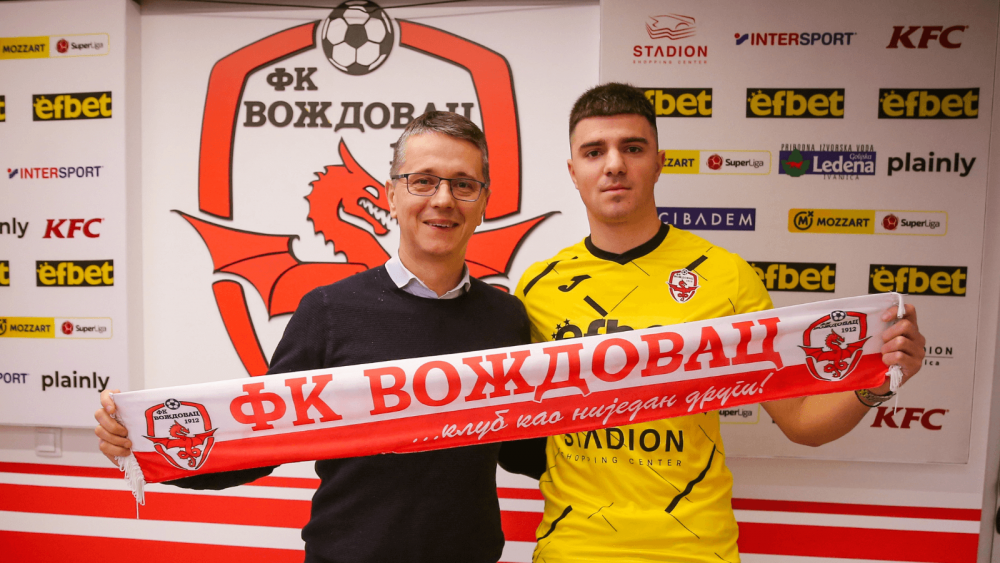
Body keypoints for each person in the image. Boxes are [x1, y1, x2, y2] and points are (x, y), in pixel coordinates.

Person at [503, 83, 927, 563]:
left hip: (694, 550)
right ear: (573, 172)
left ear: (659, 162)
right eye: (594, 151)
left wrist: (877, 383)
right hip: (572, 549)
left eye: (633, 148)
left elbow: (801, 424)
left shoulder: (726, 276)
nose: (614, 164)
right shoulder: (538, 286)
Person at [94, 111, 532, 563]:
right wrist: (146, 447)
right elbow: (262, 444)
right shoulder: (329, 311)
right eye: (422, 181)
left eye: (463, 184)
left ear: (483, 201)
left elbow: (523, 452)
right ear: (391, 194)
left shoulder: (506, 319)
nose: (443, 199)